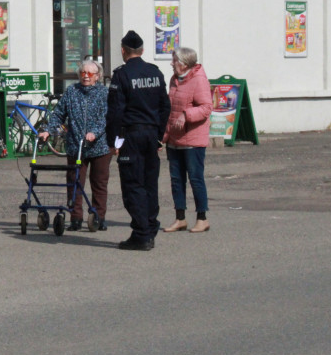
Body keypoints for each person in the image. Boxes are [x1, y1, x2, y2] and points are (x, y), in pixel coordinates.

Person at [105, 31, 170, 251]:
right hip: (151, 134)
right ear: (142, 51)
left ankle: (141, 234)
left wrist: (113, 141)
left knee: (133, 184)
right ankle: (150, 227)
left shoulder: (121, 75)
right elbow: (165, 107)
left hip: (130, 135)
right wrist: (159, 136)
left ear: (123, 50)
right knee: (149, 182)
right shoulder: (155, 72)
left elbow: (115, 112)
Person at [38, 59, 112, 231]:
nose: (85, 77)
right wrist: (48, 130)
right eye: (82, 73)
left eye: (90, 74)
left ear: (98, 76)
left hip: (99, 145)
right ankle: (76, 218)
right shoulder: (71, 91)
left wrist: (94, 132)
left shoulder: (104, 93)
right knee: (74, 181)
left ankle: (98, 217)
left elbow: (106, 117)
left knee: (99, 182)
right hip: (75, 145)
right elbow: (58, 115)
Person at [163, 47, 212, 233]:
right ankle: (180, 218)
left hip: (193, 141)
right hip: (174, 140)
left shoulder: (199, 79)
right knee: (176, 180)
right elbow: (170, 112)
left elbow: (207, 107)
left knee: (195, 178)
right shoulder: (174, 80)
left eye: (174, 60)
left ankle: (202, 218)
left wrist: (187, 114)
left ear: (184, 63)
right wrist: (164, 138)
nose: (171, 63)